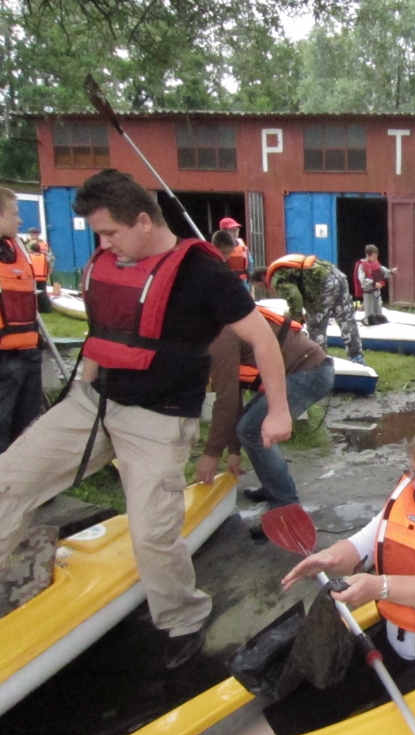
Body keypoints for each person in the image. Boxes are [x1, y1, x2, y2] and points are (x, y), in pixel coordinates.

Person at [0, 170, 294, 669]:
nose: (104, 244)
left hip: (158, 420)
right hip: (93, 404)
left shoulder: (203, 273)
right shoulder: (111, 262)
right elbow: (102, 336)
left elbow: (262, 339)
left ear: (142, 221)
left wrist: (279, 410)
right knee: (9, 479)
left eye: (110, 232)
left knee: (151, 536)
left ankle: (183, 619)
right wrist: (81, 393)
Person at [199, 419, 415, 735]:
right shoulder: (411, 499)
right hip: (397, 640)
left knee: (387, 728)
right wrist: (328, 558)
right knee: (320, 695)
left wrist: (377, 587)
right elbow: (363, 543)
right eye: (414, 472)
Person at [198, 302, 335, 536]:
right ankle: (273, 486)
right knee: (250, 425)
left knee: (252, 429)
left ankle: (285, 509)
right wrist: (233, 450)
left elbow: (226, 401)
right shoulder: (217, 328)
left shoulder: (219, 335)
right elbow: (234, 396)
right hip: (301, 371)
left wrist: (211, 453)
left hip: (311, 372)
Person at [0, 188, 44, 454]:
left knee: (28, 427)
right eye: (15, 214)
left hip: (28, 353)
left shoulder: (15, 250)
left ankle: (23, 475)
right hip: (4, 358)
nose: (20, 220)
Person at [266, 254, 364, 364]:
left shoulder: (276, 278)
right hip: (337, 274)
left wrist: (295, 317)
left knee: (316, 326)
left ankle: (319, 362)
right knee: (346, 320)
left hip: (323, 282)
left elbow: (295, 296)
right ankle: (357, 357)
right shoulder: (285, 267)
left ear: (262, 279)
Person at [352, 244, 395, 324]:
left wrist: (391, 272)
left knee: (378, 308)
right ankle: (368, 319)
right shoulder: (362, 265)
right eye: (374, 257)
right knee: (369, 308)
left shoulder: (376, 264)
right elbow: (362, 279)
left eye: (376, 257)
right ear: (367, 255)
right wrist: (373, 283)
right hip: (368, 291)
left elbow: (382, 271)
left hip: (377, 291)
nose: (376, 259)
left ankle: (378, 318)